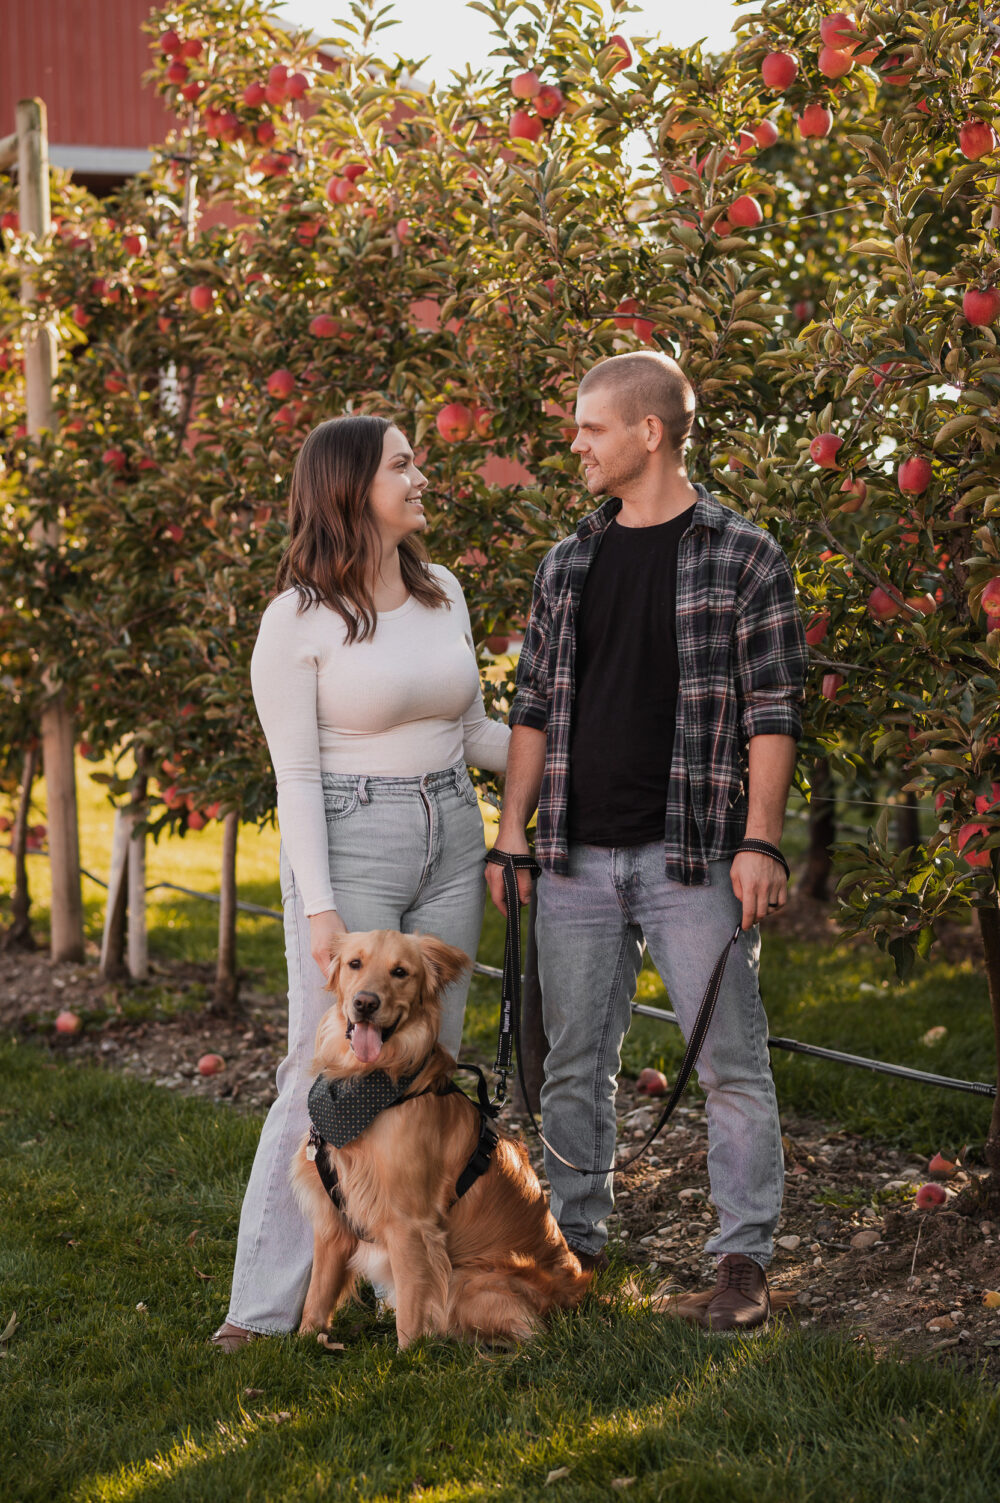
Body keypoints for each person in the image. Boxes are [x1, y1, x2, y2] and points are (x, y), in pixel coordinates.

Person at [486, 351, 807, 1332]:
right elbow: (532, 707)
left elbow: (773, 712)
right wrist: (510, 836)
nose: (575, 442)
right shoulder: (567, 562)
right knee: (575, 1056)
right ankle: (573, 1245)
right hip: (575, 854)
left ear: (649, 432)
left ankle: (740, 1261)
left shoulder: (742, 557)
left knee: (730, 1064)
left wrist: (761, 843)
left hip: (696, 856)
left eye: (590, 427)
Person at [212, 414, 509, 1350]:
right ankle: (259, 1312)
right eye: (402, 464)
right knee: (328, 1073)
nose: (422, 475)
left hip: (453, 827)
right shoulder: (296, 618)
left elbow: (469, 732)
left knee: (424, 1069)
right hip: (353, 836)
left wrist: (569, 761)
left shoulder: (443, 592)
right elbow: (294, 774)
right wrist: (323, 909)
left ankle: (408, 1290)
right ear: (350, 489)